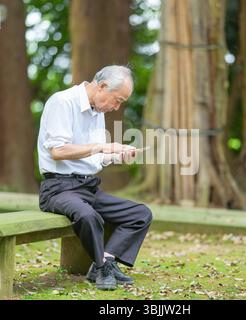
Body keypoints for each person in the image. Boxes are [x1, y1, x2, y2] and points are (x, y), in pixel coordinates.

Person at [37, 65, 153, 291]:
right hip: (58, 189)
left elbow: (94, 158)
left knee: (140, 214)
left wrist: (116, 155)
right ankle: (101, 267)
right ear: (102, 86)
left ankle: (105, 262)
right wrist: (102, 146)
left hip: (88, 187)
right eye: (117, 100)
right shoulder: (62, 102)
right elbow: (58, 151)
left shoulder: (97, 112)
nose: (116, 107)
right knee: (88, 216)